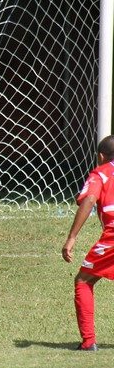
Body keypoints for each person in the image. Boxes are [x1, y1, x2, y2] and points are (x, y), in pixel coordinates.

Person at [61, 135, 114, 352]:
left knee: (83, 280)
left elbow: (89, 200)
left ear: (100, 156)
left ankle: (88, 341)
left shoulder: (100, 173)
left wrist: (71, 237)